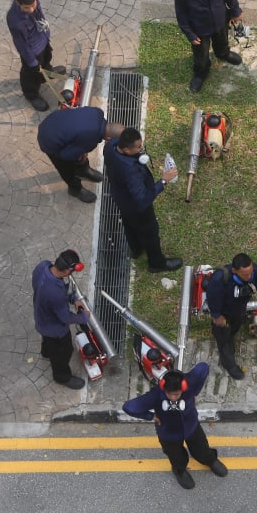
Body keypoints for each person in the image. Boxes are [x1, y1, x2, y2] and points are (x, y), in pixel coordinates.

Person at [122, 364, 228, 490]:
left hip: (191, 426)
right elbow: (129, 407)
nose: (173, 398)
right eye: (169, 394)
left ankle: (210, 460)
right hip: (169, 434)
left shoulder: (190, 383)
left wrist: (196, 391)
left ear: (183, 387)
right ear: (163, 387)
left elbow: (203, 368)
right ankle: (180, 471)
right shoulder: (155, 395)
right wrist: (151, 416)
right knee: (176, 456)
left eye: (177, 394)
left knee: (201, 448)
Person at [102, 127, 182, 273]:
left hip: (121, 199)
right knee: (150, 234)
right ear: (126, 150)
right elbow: (143, 199)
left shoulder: (110, 146)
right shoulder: (131, 172)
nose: (141, 149)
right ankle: (156, 263)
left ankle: (136, 249)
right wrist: (163, 181)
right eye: (138, 147)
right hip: (137, 208)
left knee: (129, 225)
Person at [174, 0, 243, 94]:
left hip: (220, 22)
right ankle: (201, 73)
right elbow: (181, 14)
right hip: (199, 29)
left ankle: (223, 54)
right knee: (201, 55)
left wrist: (235, 11)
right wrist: (190, 34)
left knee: (222, 42)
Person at [204, 253, 257, 380]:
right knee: (223, 338)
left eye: (250, 273)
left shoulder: (254, 270)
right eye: (245, 274)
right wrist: (217, 316)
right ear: (234, 271)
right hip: (223, 313)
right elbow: (213, 299)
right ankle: (229, 363)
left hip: (239, 308)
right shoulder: (219, 279)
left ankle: (231, 335)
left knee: (235, 327)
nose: (249, 276)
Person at [37, 106, 125, 203]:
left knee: (81, 151)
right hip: (48, 139)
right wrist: (78, 154)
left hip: (53, 121)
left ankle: (83, 171)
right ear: (109, 138)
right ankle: (75, 189)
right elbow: (65, 156)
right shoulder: (91, 138)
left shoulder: (98, 113)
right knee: (66, 168)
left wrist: (81, 151)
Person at [31, 249, 89, 390]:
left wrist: (73, 298)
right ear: (66, 271)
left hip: (41, 318)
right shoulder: (54, 293)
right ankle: (62, 376)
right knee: (64, 351)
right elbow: (65, 317)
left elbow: (61, 289)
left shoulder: (43, 266)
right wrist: (83, 317)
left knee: (48, 342)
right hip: (55, 330)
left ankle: (46, 352)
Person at [6, 0, 65, 112]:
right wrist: (32, 62)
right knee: (30, 74)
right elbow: (21, 44)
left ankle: (46, 74)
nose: (32, 9)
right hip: (31, 52)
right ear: (18, 3)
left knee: (46, 59)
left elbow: (39, 15)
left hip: (42, 41)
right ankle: (31, 94)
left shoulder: (33, 1)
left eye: (33, 5)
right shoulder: (15, 21)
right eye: (27, 8)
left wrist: (45, 31)